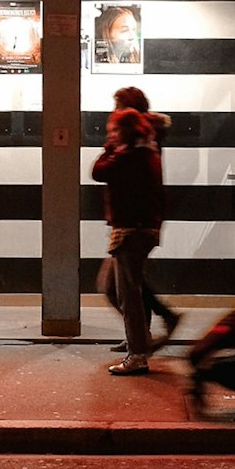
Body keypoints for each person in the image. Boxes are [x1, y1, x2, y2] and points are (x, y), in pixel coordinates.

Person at [108, 86, 182, 350]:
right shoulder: (147, 136)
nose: (114, 111)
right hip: (138, 220)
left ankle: (143, 340)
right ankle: (141, 334)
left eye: (118, 105)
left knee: (120, 285)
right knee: (127, 282)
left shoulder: (139, 139)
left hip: (135, 222)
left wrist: (112, 146)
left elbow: (105, 170)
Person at [92, 107, 165, 375]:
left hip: (131, 231)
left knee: (128, 293)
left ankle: (138, 354)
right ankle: (140, 341)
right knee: (111, 286)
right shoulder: (146, 151)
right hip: (134, 230)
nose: (110, 134)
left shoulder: (132, 155)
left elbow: (99, 171)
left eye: (114, 130)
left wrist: (110, 148)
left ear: (126, 131)